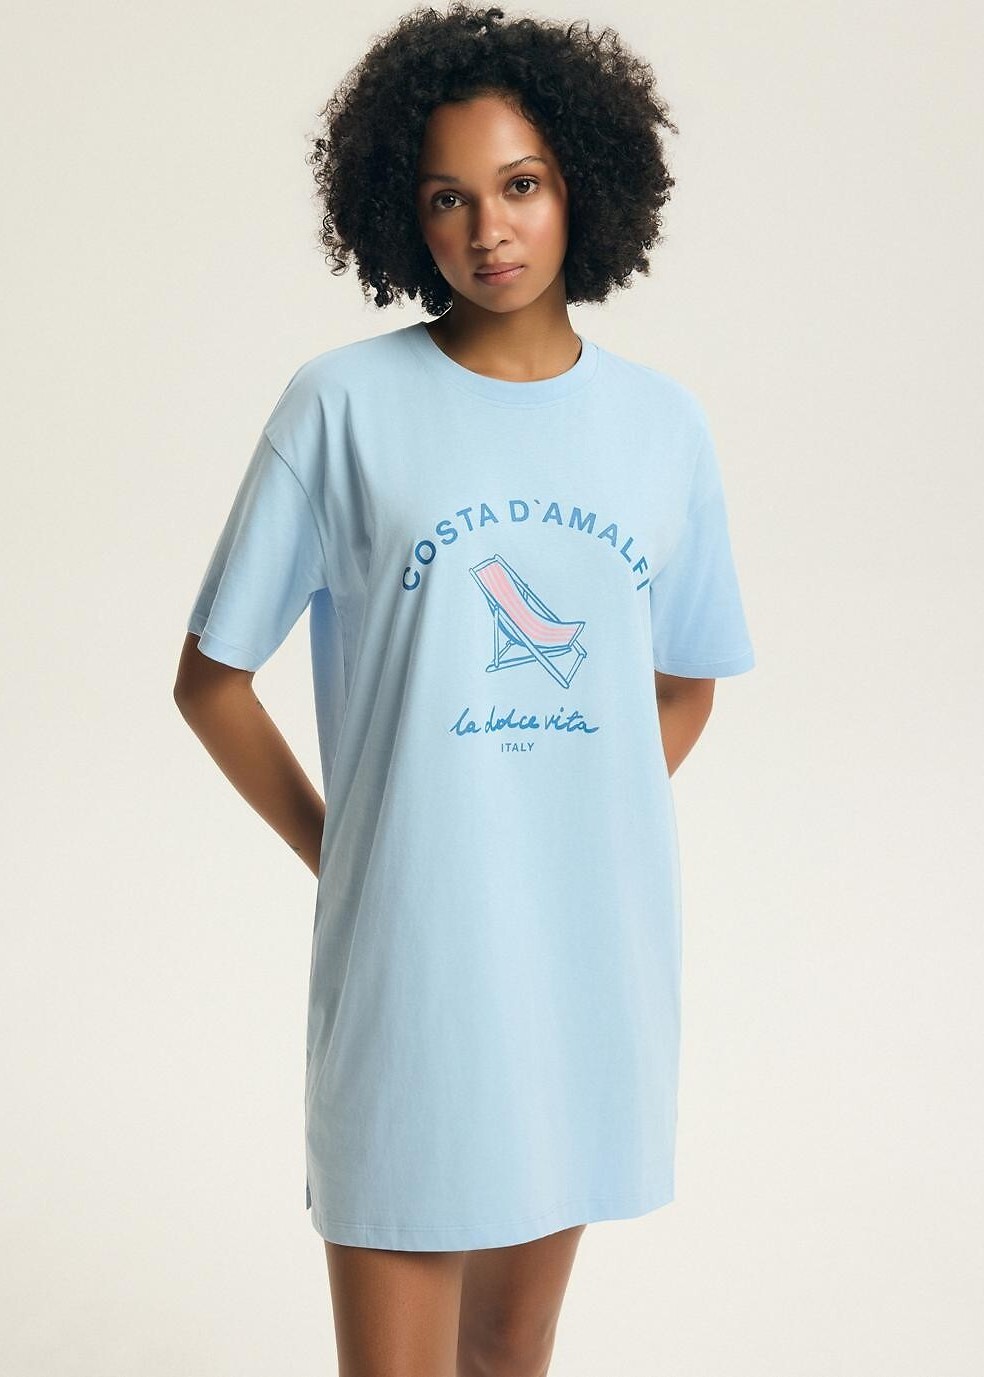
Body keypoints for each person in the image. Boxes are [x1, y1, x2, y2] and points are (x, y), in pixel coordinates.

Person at [172, 4, 756, 1373]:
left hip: (587, 961)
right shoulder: (342, 408)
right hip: (415, 970)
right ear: (405, 213)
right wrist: (351, 850)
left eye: (521, 185)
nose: (490, 229)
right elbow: (211, 682)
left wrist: (568, 800)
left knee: (509, 1353)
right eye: (450, 197)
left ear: (582, 188)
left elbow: (685, 682)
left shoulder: (663, 428)